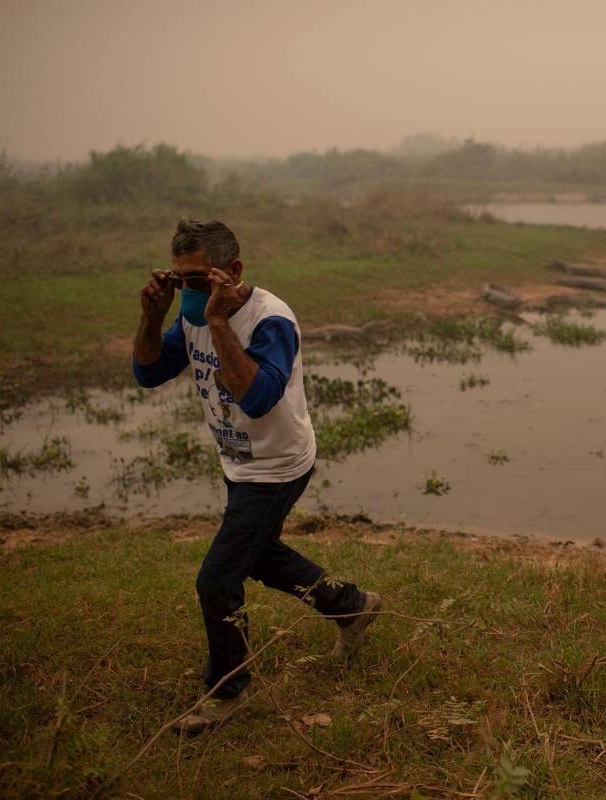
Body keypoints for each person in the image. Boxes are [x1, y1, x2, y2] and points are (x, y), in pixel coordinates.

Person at [133, 218, 382, 736]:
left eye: (199, 280)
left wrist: (221, 324)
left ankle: (227, 690)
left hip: (277, 465)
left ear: (234, 271)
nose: (190, 292)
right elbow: (149, 372)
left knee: (217, 579)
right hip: (239, 461)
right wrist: (154, 318)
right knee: (260, 554)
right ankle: (351, 606)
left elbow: (258, 396)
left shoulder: (270, 320)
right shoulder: (193, 315)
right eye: (180, 281)